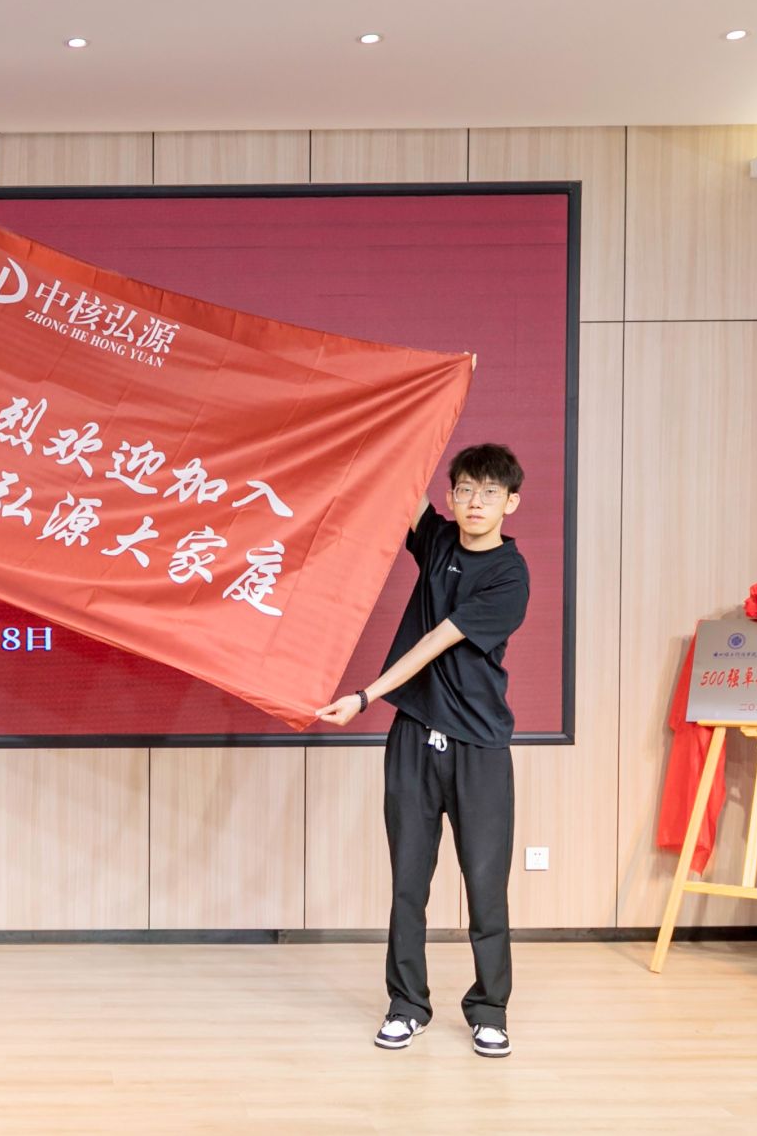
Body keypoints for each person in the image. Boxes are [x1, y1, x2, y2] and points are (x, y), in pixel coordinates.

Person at [316, 442, 529, 1060]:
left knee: (485, 887)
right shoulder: (437, 541)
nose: (475, 502)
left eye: (490, 492)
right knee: (408, 884)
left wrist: (366, 695)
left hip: (478, 747)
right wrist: (395, 417)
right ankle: (406, 1005)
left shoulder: (510, 575)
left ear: (511, 503)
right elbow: (402, 478)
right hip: (412, 738)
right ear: (451, 496)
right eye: (464, 489)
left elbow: (437, 640)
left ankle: (489, 1010)